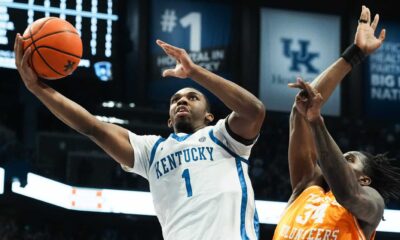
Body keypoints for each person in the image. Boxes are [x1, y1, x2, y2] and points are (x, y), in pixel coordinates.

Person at [14, 34, 265, 239]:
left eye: (192, 97)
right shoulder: (152, 150)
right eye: (175, 100)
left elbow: (254, 111)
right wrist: (38, 88)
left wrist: (194, 72)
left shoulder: (224, 137)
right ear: (169, 120)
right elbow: (92, 126)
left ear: (209, 116)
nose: (182, 101)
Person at [273, 5, 400, 240]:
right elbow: (301, 108)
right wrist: (355, 54)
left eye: (349, 159)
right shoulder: (306, 187)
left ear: (364, 179)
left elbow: (348, 194)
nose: (337, 158)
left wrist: (317, 122)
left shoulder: (371, 204)